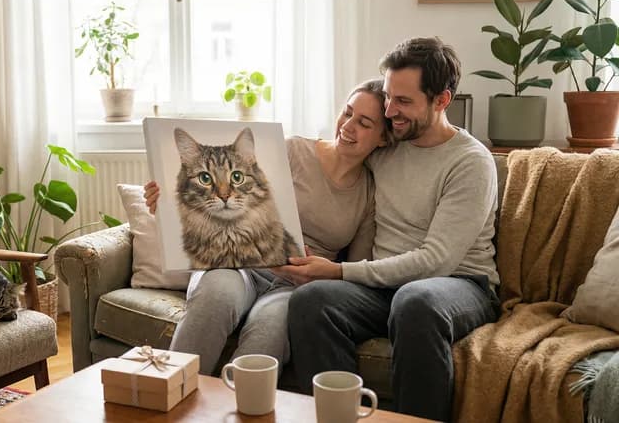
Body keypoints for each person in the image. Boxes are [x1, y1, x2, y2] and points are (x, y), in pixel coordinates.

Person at [280, 37, 500, 421]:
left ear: (441, 101)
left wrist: (340, 270)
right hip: (386, 289)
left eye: (404, 102)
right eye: (388, 97)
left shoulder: (470, 162)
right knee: (311, 301)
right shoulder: (388, 145)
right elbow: (332, 160)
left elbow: (437, 261)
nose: (390, 111)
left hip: (460, 285)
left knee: (416, 301)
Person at [144, 79, 394, 376]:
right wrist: (165, 204)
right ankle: (171, 396)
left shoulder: (369, 193)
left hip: (295, 287)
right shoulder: (293, 151)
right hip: (237, 264)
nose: (348, 125)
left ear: (383, 138)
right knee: (215, 297)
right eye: (348, 112)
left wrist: (324, 271)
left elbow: (352, 272)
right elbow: (222, 198)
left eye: (364, 123)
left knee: (269, 332)